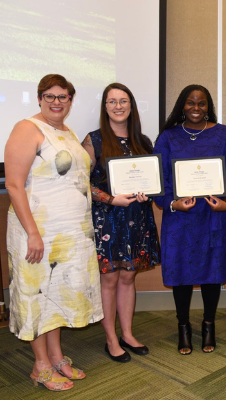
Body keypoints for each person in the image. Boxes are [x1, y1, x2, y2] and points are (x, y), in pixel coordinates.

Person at [4, 74, 102, 391]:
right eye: (50, 96)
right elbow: (14, 185)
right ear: (39, 98)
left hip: (69, 234)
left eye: (63, 97)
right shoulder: (27, 129)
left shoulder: (66, 132)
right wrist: (32, 233)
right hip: (38, 233)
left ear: (70, 101)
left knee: (56, 296)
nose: (56, 102)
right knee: (37, 295)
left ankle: (57, 356)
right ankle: (40, 366)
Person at [152, 84, 226, 355]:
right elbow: (159, 178)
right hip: (180, 217)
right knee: (181, 274)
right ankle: (183, 326)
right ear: (182, 105)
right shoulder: (168, 137)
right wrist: (171, 203)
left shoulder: (224, 134)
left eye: (201, 104)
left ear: (208, 106)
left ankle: (208, 324)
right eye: (190, 103)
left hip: (213, 217)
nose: (195, 108)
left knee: (212, 273)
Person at [81, 83, 161, 363]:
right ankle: (111, 338)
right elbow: (82, 183)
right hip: (108, 219)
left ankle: (127, 333)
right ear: (105, 107)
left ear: (131, 105)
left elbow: (153, 181)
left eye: (123, 101)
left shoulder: (143, 141)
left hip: (137, 217)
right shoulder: (94, 141)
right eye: (112, 101)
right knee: (110, 279)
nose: (118, 106)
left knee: (128, 276)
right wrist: (111, 199)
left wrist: (146, 192)